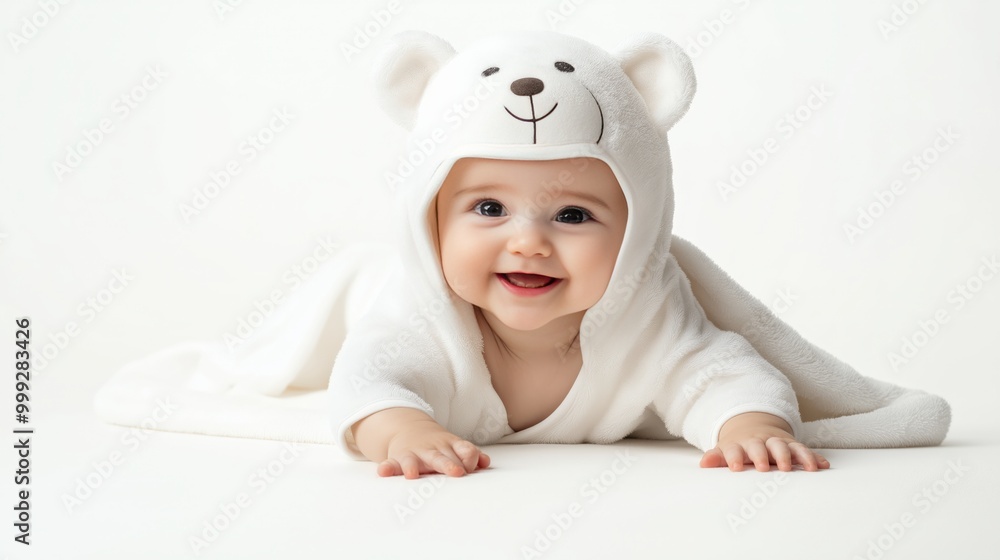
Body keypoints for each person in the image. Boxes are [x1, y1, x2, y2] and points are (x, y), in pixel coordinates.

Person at [345, 156, 828, 478]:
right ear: (431, 226)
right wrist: (404, 430)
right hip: (356, 293)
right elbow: (367, 377)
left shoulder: (645, 313)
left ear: (638, 237)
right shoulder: (421, 311)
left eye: (572, 215)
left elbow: (718, 371)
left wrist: (750, 426)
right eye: (490, 208)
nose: (528, 242)